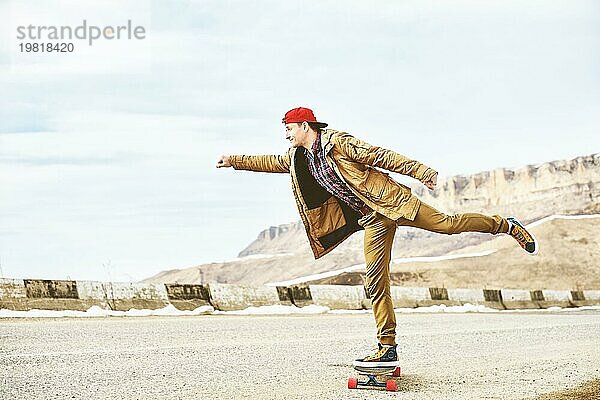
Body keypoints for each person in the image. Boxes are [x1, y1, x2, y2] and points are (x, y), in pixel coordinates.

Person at [216, 106, 538, 368]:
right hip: (372, 220)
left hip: (392, 202)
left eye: (288, 128)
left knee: (448, 224)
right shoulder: (298, 157)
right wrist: (235, 162)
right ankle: (387, 347)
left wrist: (421, 172)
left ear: (304, 126)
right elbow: (270, 162)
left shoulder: (337, 142)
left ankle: (504, 225)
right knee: (374, 280)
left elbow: (379, 156)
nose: (285, 134)